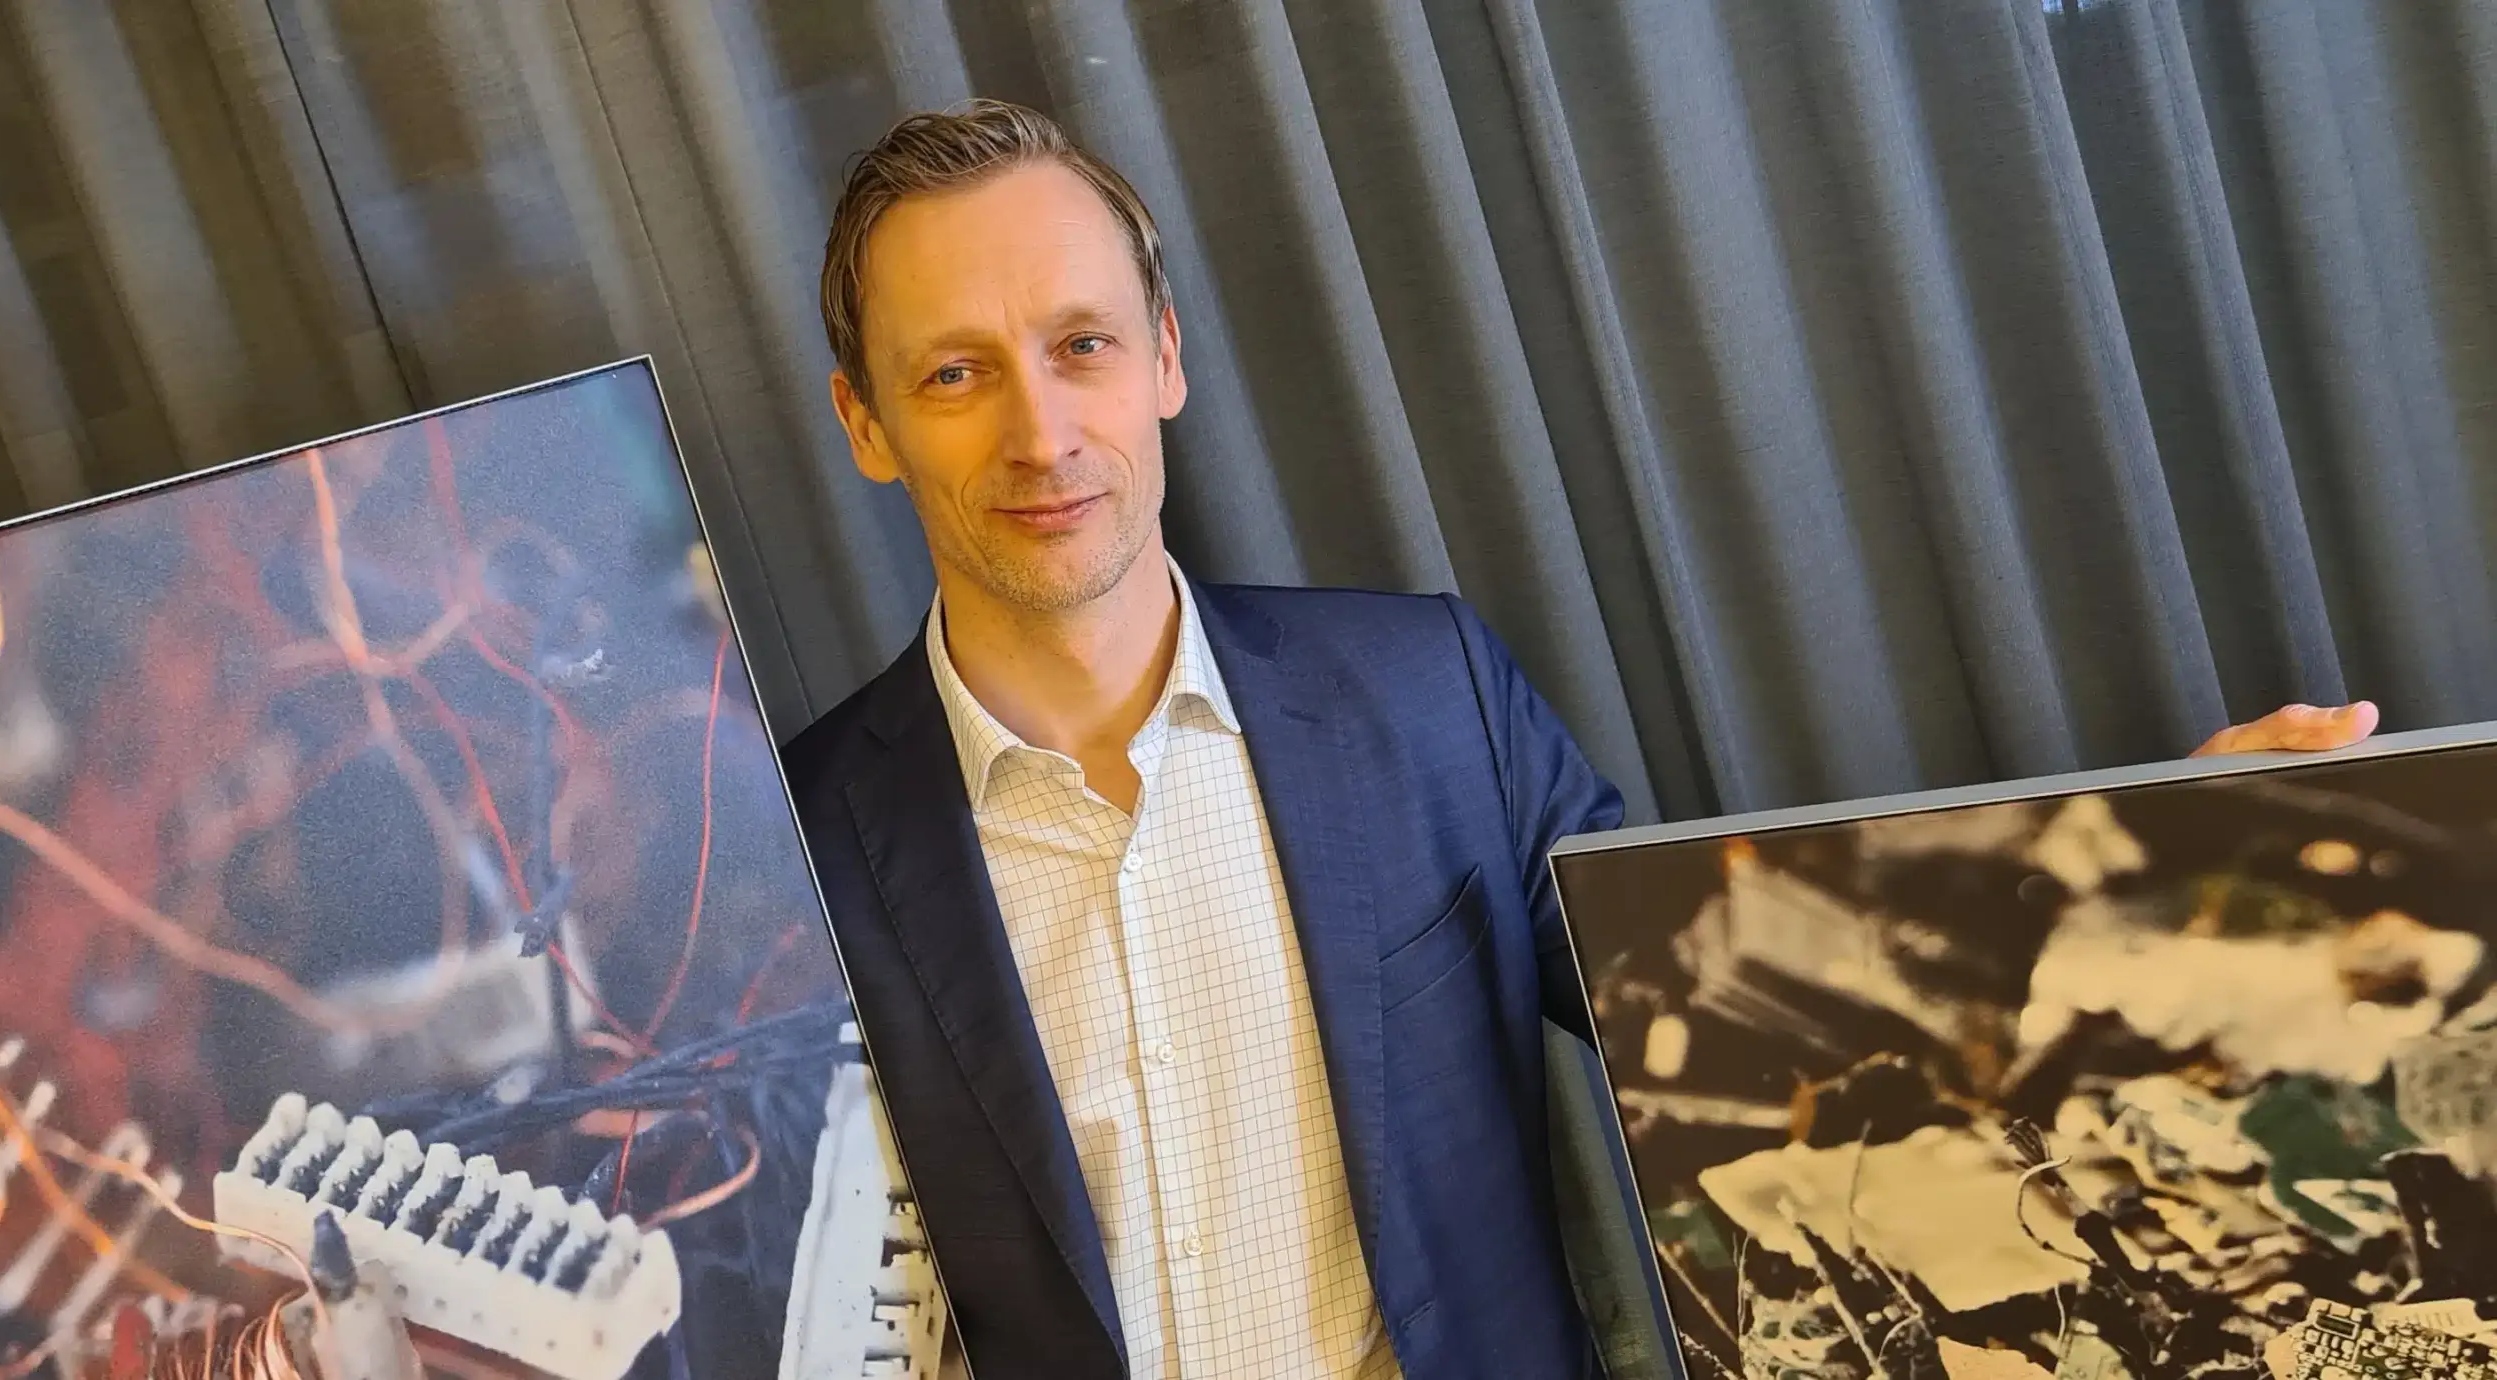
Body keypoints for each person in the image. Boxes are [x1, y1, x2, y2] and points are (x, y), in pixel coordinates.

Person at [777, 99, 2379, 1380]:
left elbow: (1752, 1000)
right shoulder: (793, 853)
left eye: (1082, 345)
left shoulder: (1424, 696)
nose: (1042, 430)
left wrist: (2155, 864)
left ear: (1166, 359)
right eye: (956, 373)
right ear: (867, 423)